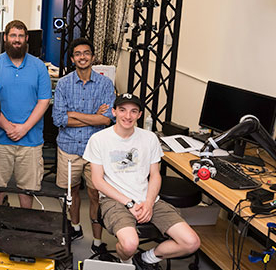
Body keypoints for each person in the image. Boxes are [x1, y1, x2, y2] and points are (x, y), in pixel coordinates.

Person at [84, 94, 200, 269]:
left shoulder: (150, 138)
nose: (127, 116)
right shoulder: (99, 139)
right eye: (122, 110)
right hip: (115, 201)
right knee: (129, 245)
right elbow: (97, 181)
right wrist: (130, 203)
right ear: (114, 112)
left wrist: (149, 202)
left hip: (148, 198)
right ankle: (127, 263)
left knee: (191, 242)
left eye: (133, 111)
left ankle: (146, 258)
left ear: (139, 115)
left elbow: (155, 175)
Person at [51, 38, 116, 254]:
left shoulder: (106, 84)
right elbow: (59, 119)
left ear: (93, 57)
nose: (82, 57)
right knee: (72, 194)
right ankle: (75, 227)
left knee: (95, 194)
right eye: (78, 54)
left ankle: (97, 241)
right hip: (69, 148)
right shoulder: (63, 84)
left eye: (86, 53)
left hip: (95, 150)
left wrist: (74, 114)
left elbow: (107, 120)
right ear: (72, 59)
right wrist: (92, 116)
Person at [0, 20, 52, 208]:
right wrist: (7, 127)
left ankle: (25, 228)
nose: (17, 40)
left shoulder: (39, 67)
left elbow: (44, 101)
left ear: (27, 39)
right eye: (13, 35)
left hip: (30, 141)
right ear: (5, 38)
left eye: (21, 36)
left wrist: (24, 128)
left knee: (26, 190)